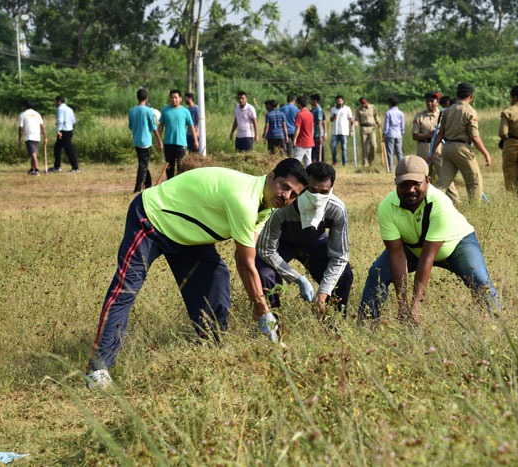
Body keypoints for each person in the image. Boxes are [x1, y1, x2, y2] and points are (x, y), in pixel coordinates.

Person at [86, 159, 309, 389]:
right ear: (271, 176)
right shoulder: (244, 199)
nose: (286, 196)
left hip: (187, 234)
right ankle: (98, 368)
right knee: (126, 288)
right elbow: (245, 265)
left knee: (216, 278)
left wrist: (260, 306)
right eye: (284, 186)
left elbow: (246, 257)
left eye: (293, 195)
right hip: (152, 217)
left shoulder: (265, 207)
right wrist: (263, 312)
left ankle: (212, 349)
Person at [358, 156, 500, 323]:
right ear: (395, 183)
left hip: (456, 245)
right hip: (413, 248)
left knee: (480, 280)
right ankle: (366, 325)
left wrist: (415, 306)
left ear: (428, 181)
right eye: (404, 185)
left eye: (416, 184)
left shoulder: (440, 203)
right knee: (377, 274)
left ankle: (497, 326)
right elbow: (396, 254)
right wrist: (402, 303)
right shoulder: (386, 207)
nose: (410, 189)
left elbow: (427, 258)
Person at [256, 162, 353, 318]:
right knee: (265, 275)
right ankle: (273, 323)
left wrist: (323, 293)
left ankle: (333, 325)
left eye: (323, 192)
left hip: (315, 242)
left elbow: (340, 256)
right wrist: (297, 278)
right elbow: (266, 249)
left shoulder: (336, 209)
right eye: (312, 190)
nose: (317, 198)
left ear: (331, 191)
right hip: (282, 243)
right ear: (303, 186)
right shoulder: (282, 207)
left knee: (344, 275)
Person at [435, 82, 492, 202]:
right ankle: (475, 210)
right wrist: (486, 154)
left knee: (442, 183)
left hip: (447, 148)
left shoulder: (447, 110)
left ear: (457, 94)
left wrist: (431, 153)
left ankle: (429, 205)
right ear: (472, 96)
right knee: (474, 181)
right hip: (461, 149)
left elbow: (440, 134)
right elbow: (475, 137)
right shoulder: (470, 111)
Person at [412, 91, 460, 202]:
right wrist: (429, 134)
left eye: (431, 101)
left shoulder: (444, 114)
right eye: (427, 101)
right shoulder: (419, 116)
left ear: (437, 102)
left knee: (445, 175)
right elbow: (415, 135)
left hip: (440, 148)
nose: (429, 104)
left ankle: (456, 201)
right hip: (424, 147)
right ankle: (426, 201)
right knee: (424, 176)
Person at [129, 89, 164, 193]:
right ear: (146, 98)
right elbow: (153, 127)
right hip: (146, 142)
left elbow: (130, 126)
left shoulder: (132, 110)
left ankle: (148, 184)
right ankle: (137, 187)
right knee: (143, 164)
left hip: (136, 140)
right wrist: (159, 140)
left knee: (143, 163)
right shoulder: (149, 111)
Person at [158, 89, 197, 179]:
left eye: (175, 97)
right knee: (169, 167)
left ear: (180, 99)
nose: (173, 100)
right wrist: (159, 140)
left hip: (181, 143)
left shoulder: (185, 111)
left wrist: (195, 140)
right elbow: (161, 126)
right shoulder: (165, 110)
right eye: (172, 98)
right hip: (168, 143)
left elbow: (191, 126)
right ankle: (169, 184)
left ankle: (180, 187)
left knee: (181, 166)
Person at [48, 95, 78, 173]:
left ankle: (75, 168)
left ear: (59, 101)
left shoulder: (60, 109)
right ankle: (57, 166)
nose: (55, 103)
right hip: (69, 130)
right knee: (57, 148)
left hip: (63, 131)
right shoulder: (69, 109)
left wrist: (58, 130)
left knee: (69, 150)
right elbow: (74, 121)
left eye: (55, 101)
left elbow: (60, 121)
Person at [17, 99, 47, 176]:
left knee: (33, 154)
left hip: (29, 136)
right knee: (32, 152)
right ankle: (32, 168)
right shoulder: (37, 114)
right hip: (37, 136)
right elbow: (42, 126)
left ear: (25, 106)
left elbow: (20, 128)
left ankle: (36, 169)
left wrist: (19, 139)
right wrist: (45, 137)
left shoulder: (23, 114)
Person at [355, 97, 381, 167]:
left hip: (372, 128)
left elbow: (376, 116)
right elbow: (357, 119)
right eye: (362, 103)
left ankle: (370, 159)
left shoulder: (372, 107)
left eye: (365, 102)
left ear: (367, 101)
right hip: (363, 128)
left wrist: (378, 122)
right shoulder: (358, 110)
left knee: (373, 145)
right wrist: (355, 124)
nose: (364, 104)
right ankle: (365, 163)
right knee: (364, 147)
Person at [329, 95, 354, 166]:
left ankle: (345, 162)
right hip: (335, 132)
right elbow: (331, 120)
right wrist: (333, 117)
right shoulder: (333, 109)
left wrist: (351, 131)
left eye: (340, 101)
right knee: (333, 146)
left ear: (343, 101)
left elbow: (351, 119)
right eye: (337, 101)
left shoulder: (347, 109)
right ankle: (335, 161)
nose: (338, 102)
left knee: (344, 148)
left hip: (344, 131)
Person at [383, 96, 405, 171]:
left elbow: (386, 125)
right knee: (399, 152)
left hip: (390, 134)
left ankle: (390, 169)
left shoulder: (388, 113)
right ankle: (402, 168)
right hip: (398, 134)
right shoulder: (401, 113)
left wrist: (384, 135)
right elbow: (402, 125)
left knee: (390, 152)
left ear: (390, 104)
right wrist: (402, 133)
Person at [292, 95, 314, 167]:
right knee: (308, 163)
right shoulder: (310, 114)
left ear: (299, 104)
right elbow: (312, 128)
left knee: (295, 162)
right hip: (309, 141)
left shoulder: (300, 114)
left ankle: (294, 177)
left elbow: (297, 128)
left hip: (302, 142)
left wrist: (294, 139)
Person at [310, 94, 326, 163]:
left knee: (317, 152)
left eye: (311, 100)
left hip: (317, 134)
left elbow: (320, 124)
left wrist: (320, 136)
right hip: (313, 133)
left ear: (315, 101)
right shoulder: (313, 109)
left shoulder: (319, 110)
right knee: (313, 152)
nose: (310, 101)